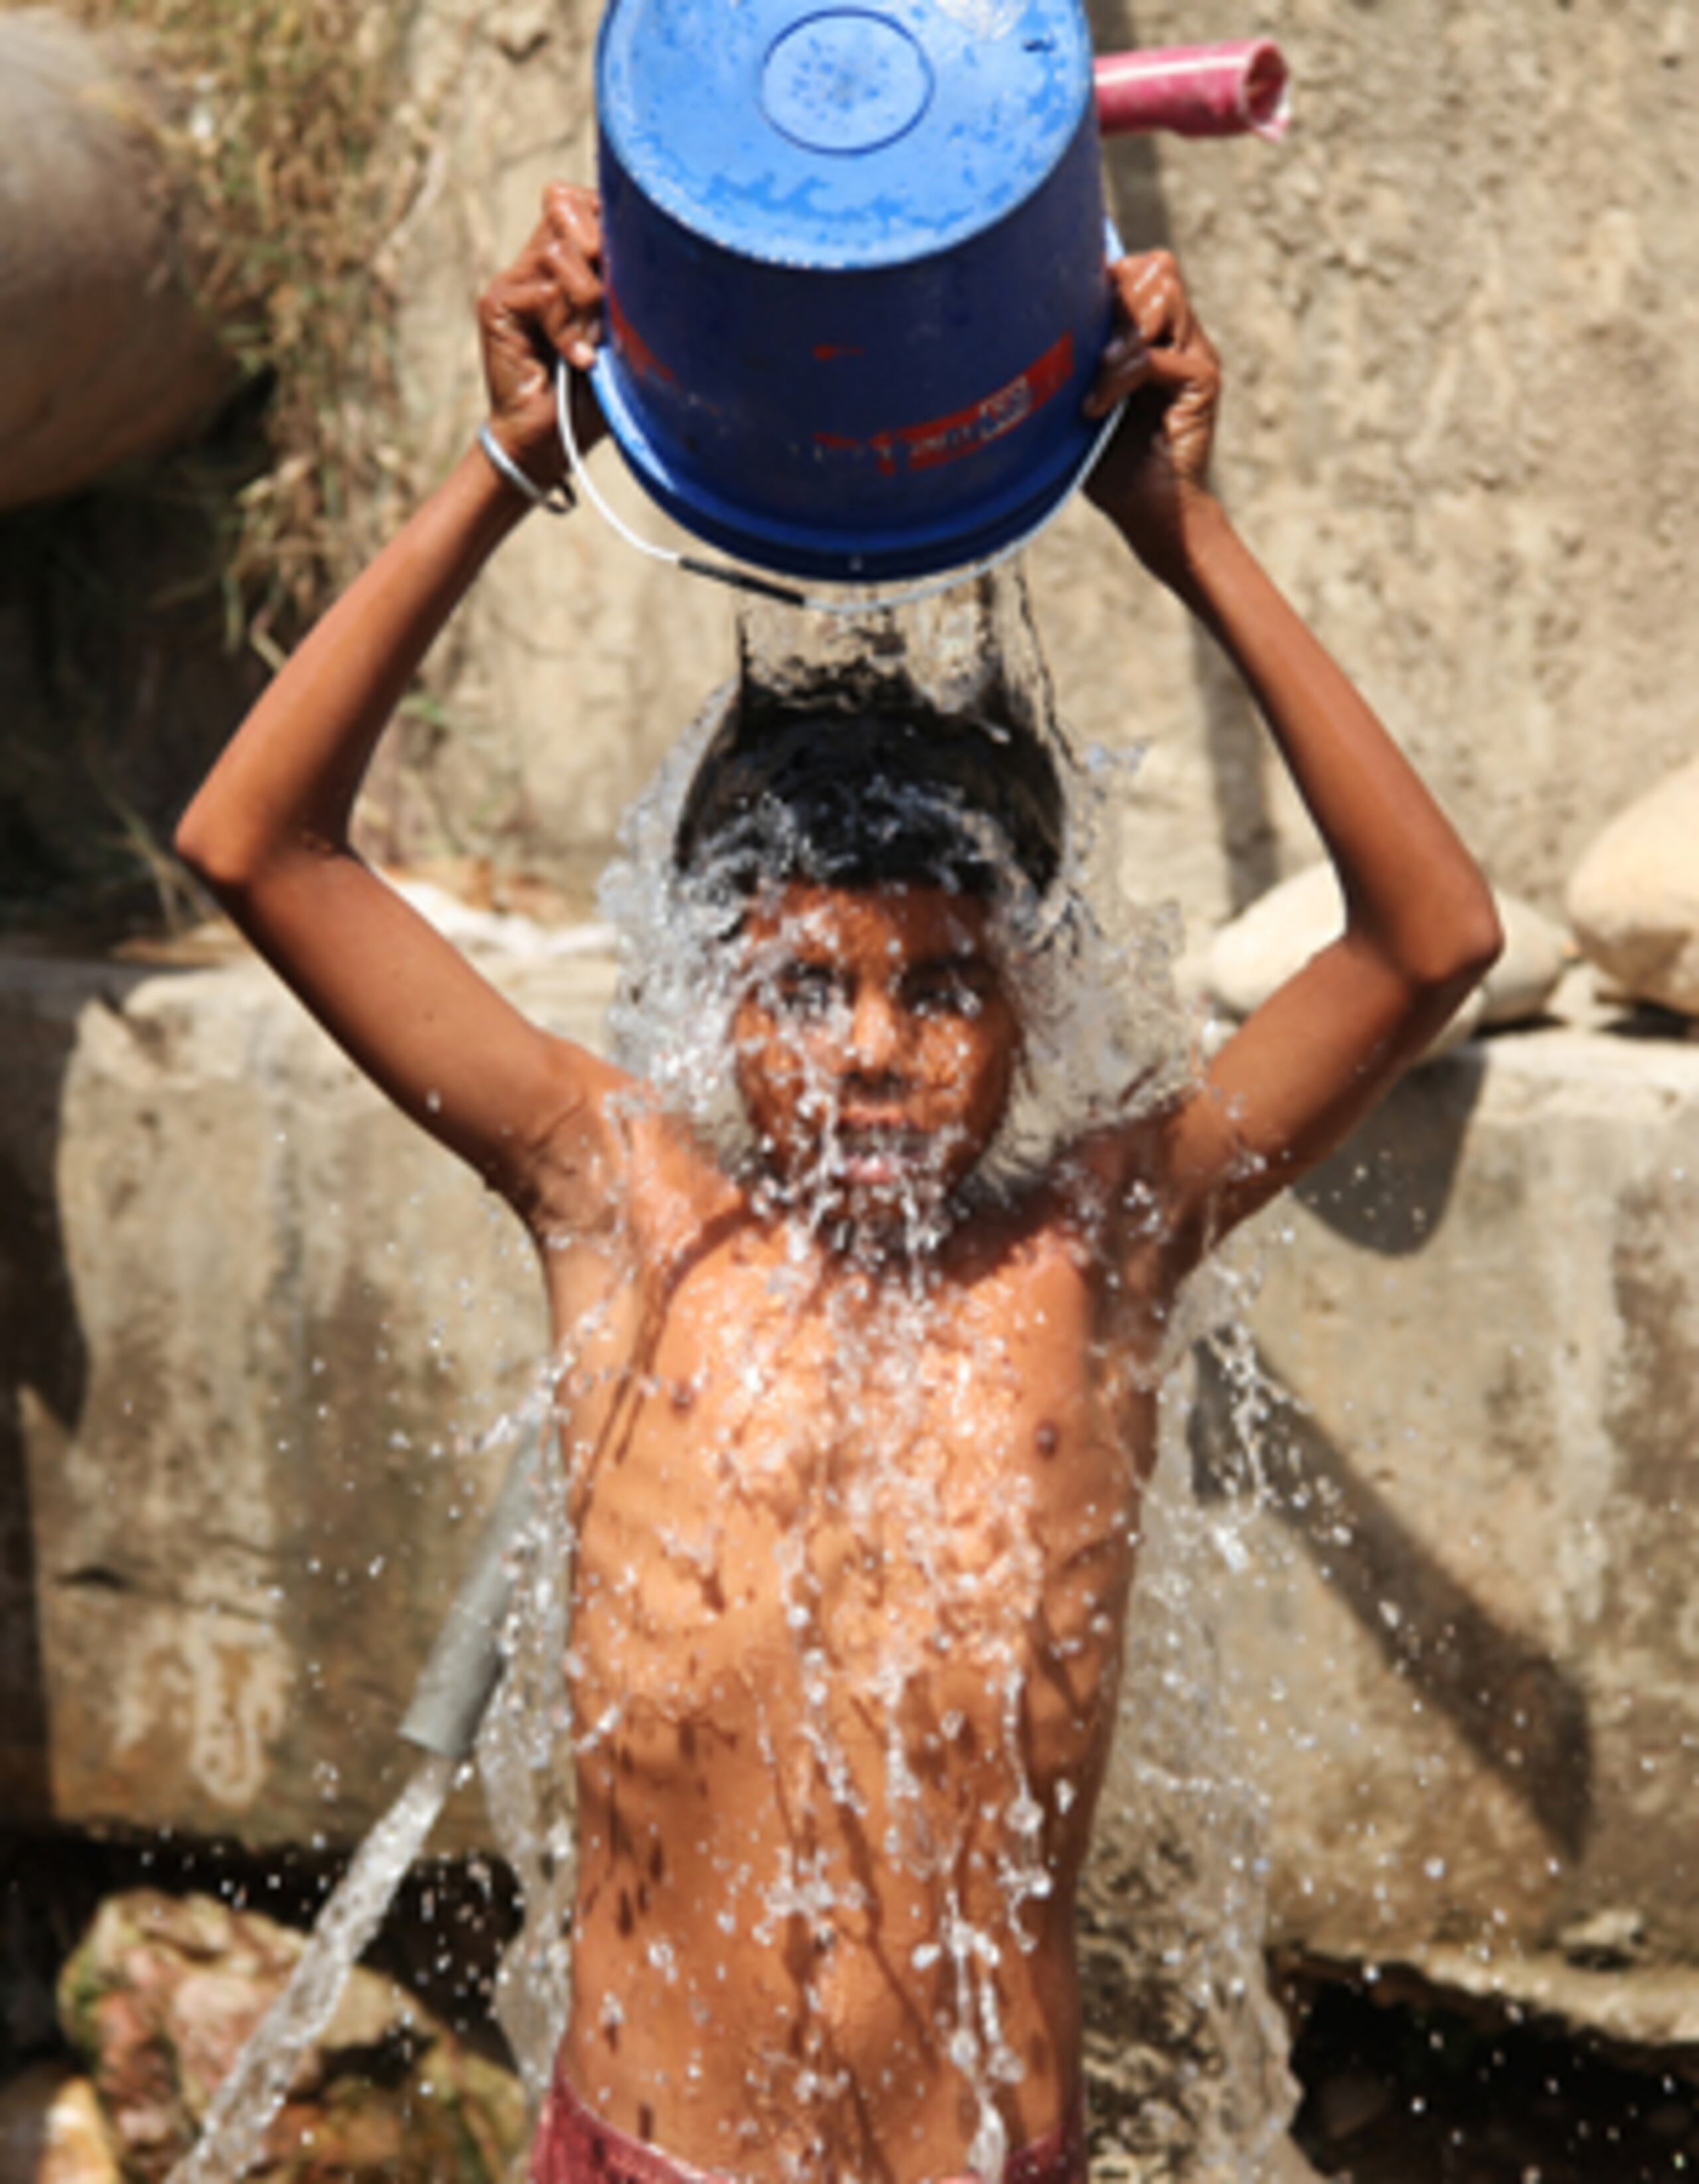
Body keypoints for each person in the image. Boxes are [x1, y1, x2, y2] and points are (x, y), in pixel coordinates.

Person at [175, 183, 1502, 2184]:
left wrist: (1179, 531)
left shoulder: (1099, 1250)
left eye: (945, 982)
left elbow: (1427, 939)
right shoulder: (618, 1200)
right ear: (714, 982)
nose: (875, 1043)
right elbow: (259, 842)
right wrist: (514, 464)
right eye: (806, 980)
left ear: (1031, 994)